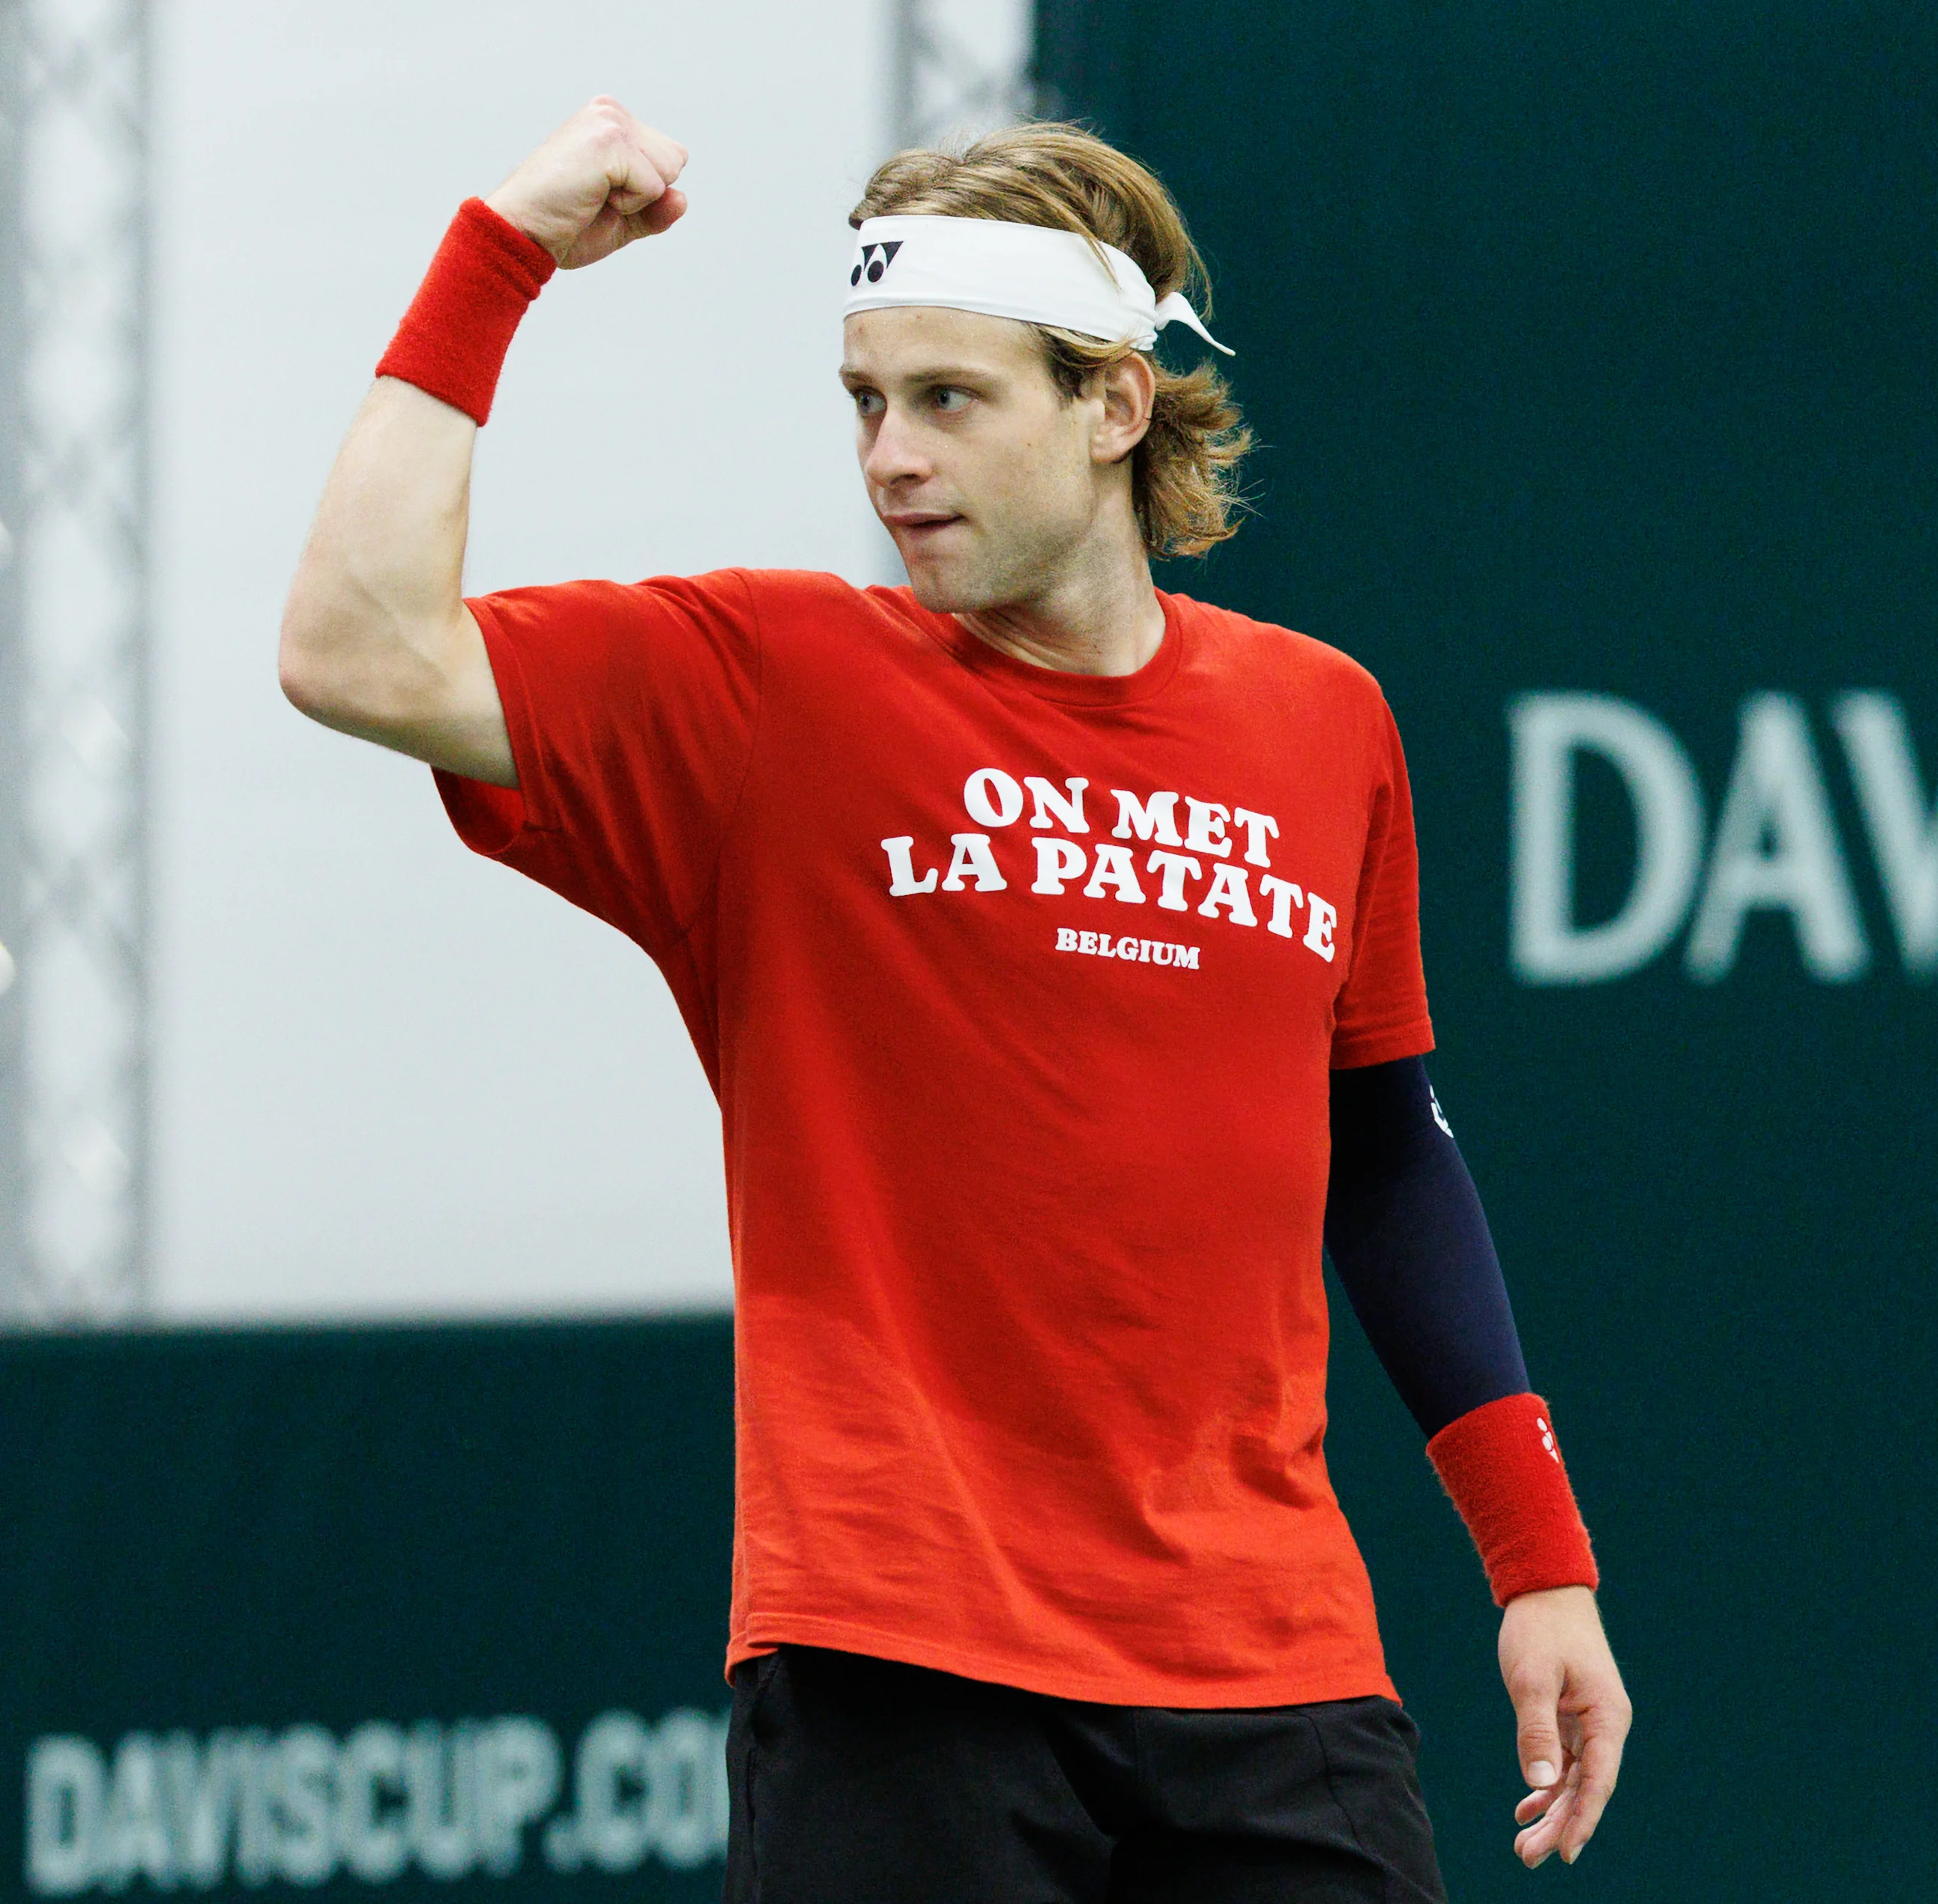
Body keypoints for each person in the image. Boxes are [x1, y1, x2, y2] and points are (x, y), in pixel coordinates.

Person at [277, 96, 1629, 1900]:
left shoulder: (1326, 721)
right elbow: (355, 642)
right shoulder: (771, 686)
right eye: (865, 398)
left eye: (949, 397)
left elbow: (1381, 1154)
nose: (890, 457)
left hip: (1276, 1677)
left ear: (1115, 407)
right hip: (899, 1664)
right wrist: (500, 255)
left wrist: (1537, 1559)